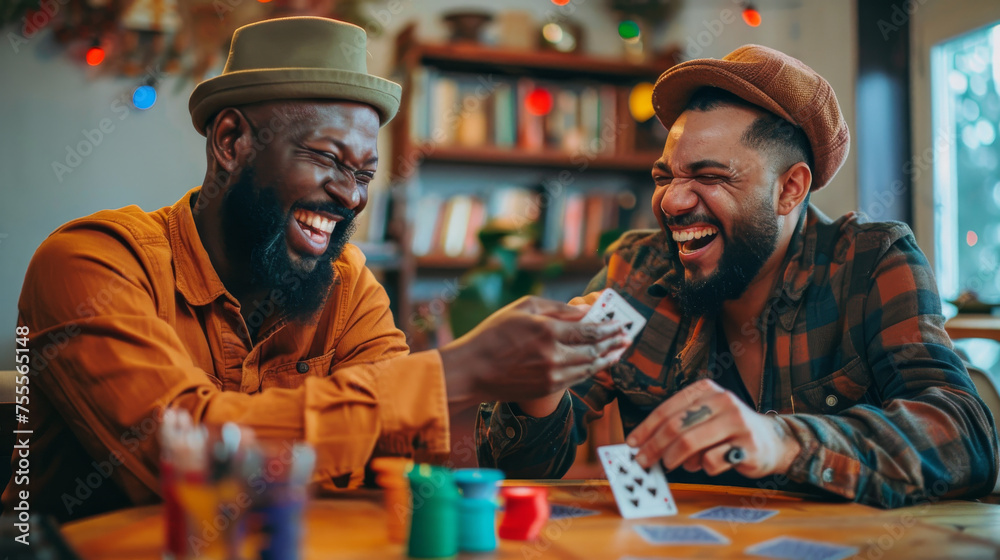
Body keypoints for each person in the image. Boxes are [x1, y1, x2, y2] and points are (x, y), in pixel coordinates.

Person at [3, 17, 628, 521]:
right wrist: (458, 370)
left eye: (363, 174)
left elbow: (414, 461)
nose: (352, 196)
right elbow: (181, 460)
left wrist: (530, 388)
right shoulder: (91, 263)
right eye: (327, 158)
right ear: (230, 142)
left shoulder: (347, 283)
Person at [477, 45, 1000, 507]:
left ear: (790, 189)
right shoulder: (636, 269)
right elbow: (518, 471)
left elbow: (966, 441)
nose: (673, 201)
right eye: (667, 176)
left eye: (708, 177)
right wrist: (541, 381)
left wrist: (781, 440)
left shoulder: (871, 263)